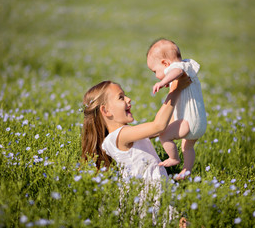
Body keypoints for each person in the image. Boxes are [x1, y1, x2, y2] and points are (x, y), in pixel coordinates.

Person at [81, 77, 190, 226]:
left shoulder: (126, 133)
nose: (128, 99)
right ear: (106, 110)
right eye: (121, 97)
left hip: (157, 195)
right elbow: (158, 125)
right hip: (149, 201)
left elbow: (164, 126)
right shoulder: (119, 136)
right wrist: (175, 90)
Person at [146, 38, 207, 179]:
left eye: (155, 71)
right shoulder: (188, 66)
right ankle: (187, 170)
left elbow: (176, 70)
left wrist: (163, 81)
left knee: (164, 135)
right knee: (188, 147)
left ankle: (174, 158)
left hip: (189, 122)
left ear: (165, 63)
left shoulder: (179, 68)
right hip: (200, 123)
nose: (155, 75)